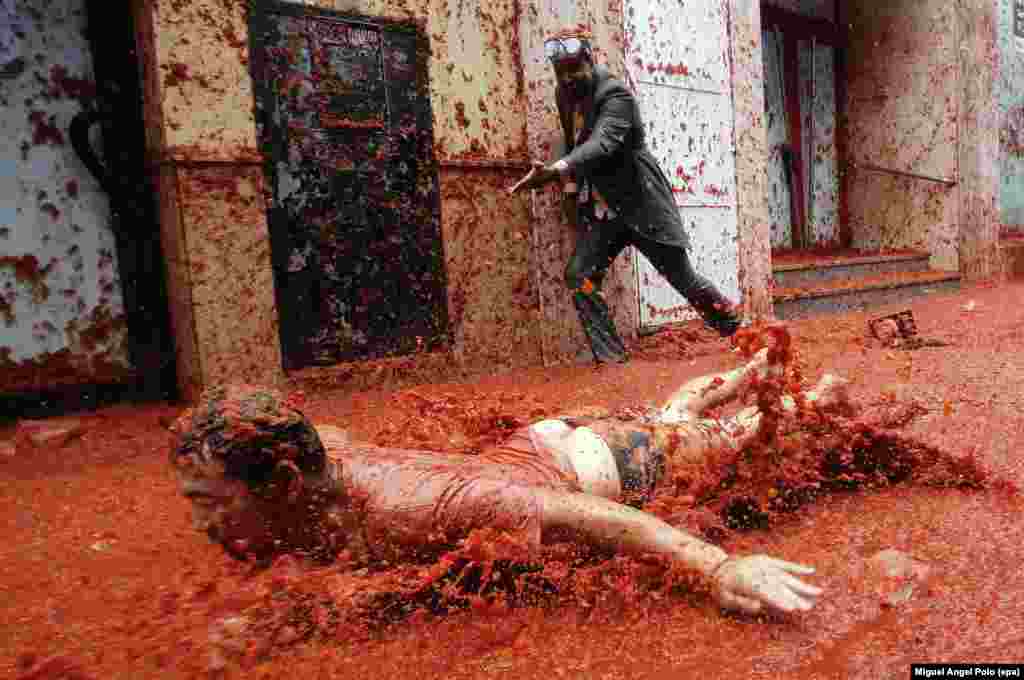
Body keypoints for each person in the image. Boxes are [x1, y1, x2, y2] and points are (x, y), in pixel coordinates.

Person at [172, 347, 852, 616]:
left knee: (724, 442)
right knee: (671, 417)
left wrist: (717, 565)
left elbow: (588, 519)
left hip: (599, 466)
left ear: (286, 482)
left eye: (209, 504)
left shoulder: (414, 509)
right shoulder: (320, 455)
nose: (202, 526)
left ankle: (814, 397)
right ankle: (733, 380)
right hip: (537, 442)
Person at [509, 26, 742, 363]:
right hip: (606, 212)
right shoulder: (565, 95)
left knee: (684, 280)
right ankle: (613, 360)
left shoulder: (616, 95)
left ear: (591, 61)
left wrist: (555, 170)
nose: (569, 78)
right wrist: (571, 189)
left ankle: (741, 333)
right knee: (580, 276)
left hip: (642, 204)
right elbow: (573, 139)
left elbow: (602, 144)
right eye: (561, 73)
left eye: (575, 69)